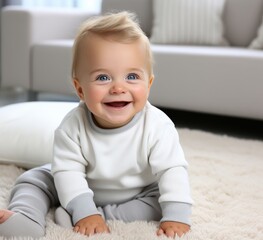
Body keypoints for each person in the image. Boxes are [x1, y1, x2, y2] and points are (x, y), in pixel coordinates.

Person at [0, 11, 193, 238]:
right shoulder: (72, 126)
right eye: (103, 78)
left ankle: (104, 215)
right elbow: (68, 171)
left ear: (149, 84)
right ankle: (27, 217)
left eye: (132, 77)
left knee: (162, 201)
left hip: (138, 191)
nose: (118, 88)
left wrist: (177, 216)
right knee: (35, 179)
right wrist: (82, 211)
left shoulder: (158, 126)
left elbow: (173, 170)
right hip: (80, 183)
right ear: (80, 89)